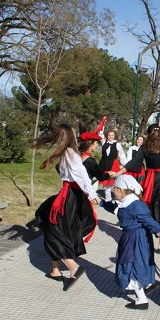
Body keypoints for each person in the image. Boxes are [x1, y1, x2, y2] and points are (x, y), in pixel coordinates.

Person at [32, 124, 99, 291]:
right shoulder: (68, 152)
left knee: (55, 233)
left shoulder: (70, 153)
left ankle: (73, 267)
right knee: (47, 220)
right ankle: (55, 270)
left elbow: (81, 175)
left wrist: (92, 194)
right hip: (69, 194)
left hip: (69, 197)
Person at [114, 124, 160, 254]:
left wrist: (119, 172)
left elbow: (134, 163)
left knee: (148, 207)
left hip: (149, 180)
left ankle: (144, 240)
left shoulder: (144, 149)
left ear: (148, 134)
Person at [112, 175, 160, 309]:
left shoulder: (135, 205)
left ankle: (143, 297)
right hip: (130, 238)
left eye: (115, 188)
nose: (113, 191)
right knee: (134, 265)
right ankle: (144, 292)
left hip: (136, 239)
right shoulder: (125, 202)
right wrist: (100, 203)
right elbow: (115, 209)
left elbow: (148, 220)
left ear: (122, 190)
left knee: (133, 265)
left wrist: (159, 232)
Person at [99, 130, 127, 202]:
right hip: (104, 164)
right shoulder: (104, 142)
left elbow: (121, 154)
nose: (110, 137)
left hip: (113, 164)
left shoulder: (117, 144)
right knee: (106, 181)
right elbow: (100, 133)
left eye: (112, 135)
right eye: (109, 135)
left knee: (114, 180)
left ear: (114, 136)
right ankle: (108, 198)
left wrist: (125, 164)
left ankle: (117, 196)